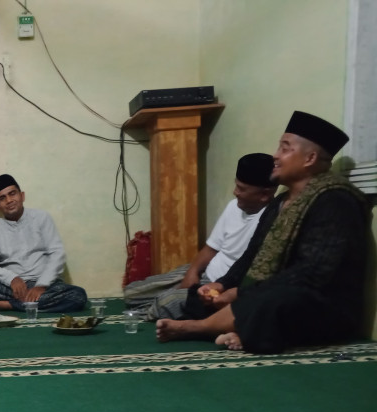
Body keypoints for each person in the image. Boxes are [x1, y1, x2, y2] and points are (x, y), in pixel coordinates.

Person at [156, 111, 372, 353]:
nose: (275, 156)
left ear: (310, 158)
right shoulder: (280, 202)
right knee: (200, 298)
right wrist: (222, 284)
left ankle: (198, 328)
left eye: (285, 148)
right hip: (270, 290)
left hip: (321, 304)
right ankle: (239, 328)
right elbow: (251, 255)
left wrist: (242, 292)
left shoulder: (335, 201)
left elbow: (312, 273)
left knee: (271, 300)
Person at [124, 153, 276, 320]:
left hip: (220, 287)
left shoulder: (271, 219)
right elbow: (211, 248)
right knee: (132, 293)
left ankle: (162, 308)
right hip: (205, 272)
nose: (235, 192)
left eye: (242, 189)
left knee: (165, 303)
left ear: (264, 194)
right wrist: (192, 272)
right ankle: (167, 303)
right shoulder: (234, 206)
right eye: (236, 186)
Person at [0, 174, 87, 313]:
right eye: (2, 198)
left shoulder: (42, 218)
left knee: (78, 296)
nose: (9, 200)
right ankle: (29, 303)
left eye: (12, 194)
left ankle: (7, 305)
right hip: (11, 289)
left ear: (22, 196)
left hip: (46, 287)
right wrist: (12, 279)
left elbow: (57, 254)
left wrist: (41, 285)